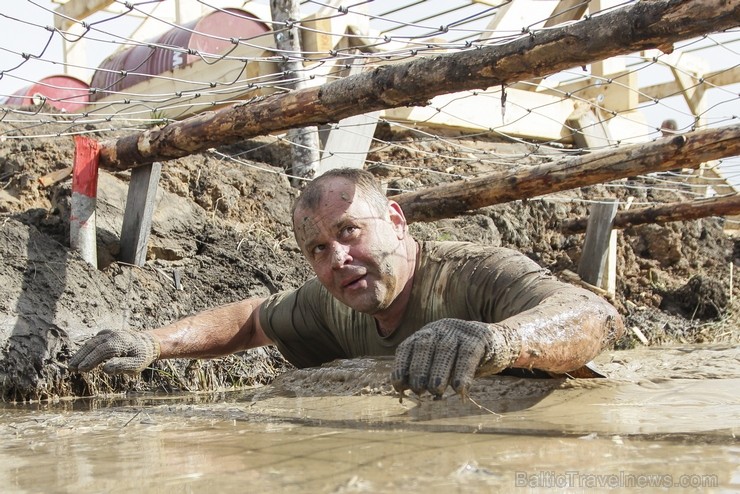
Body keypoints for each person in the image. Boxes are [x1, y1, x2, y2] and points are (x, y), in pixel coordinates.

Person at [69, 168, 624, 398]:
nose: (338, 258)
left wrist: (494, 342)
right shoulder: (331, 301)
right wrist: (153, 343)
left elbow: (593, 314)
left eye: (351, 231)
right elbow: (252, 319)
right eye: (317, 248)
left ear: (398, 221)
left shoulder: (476, 272)